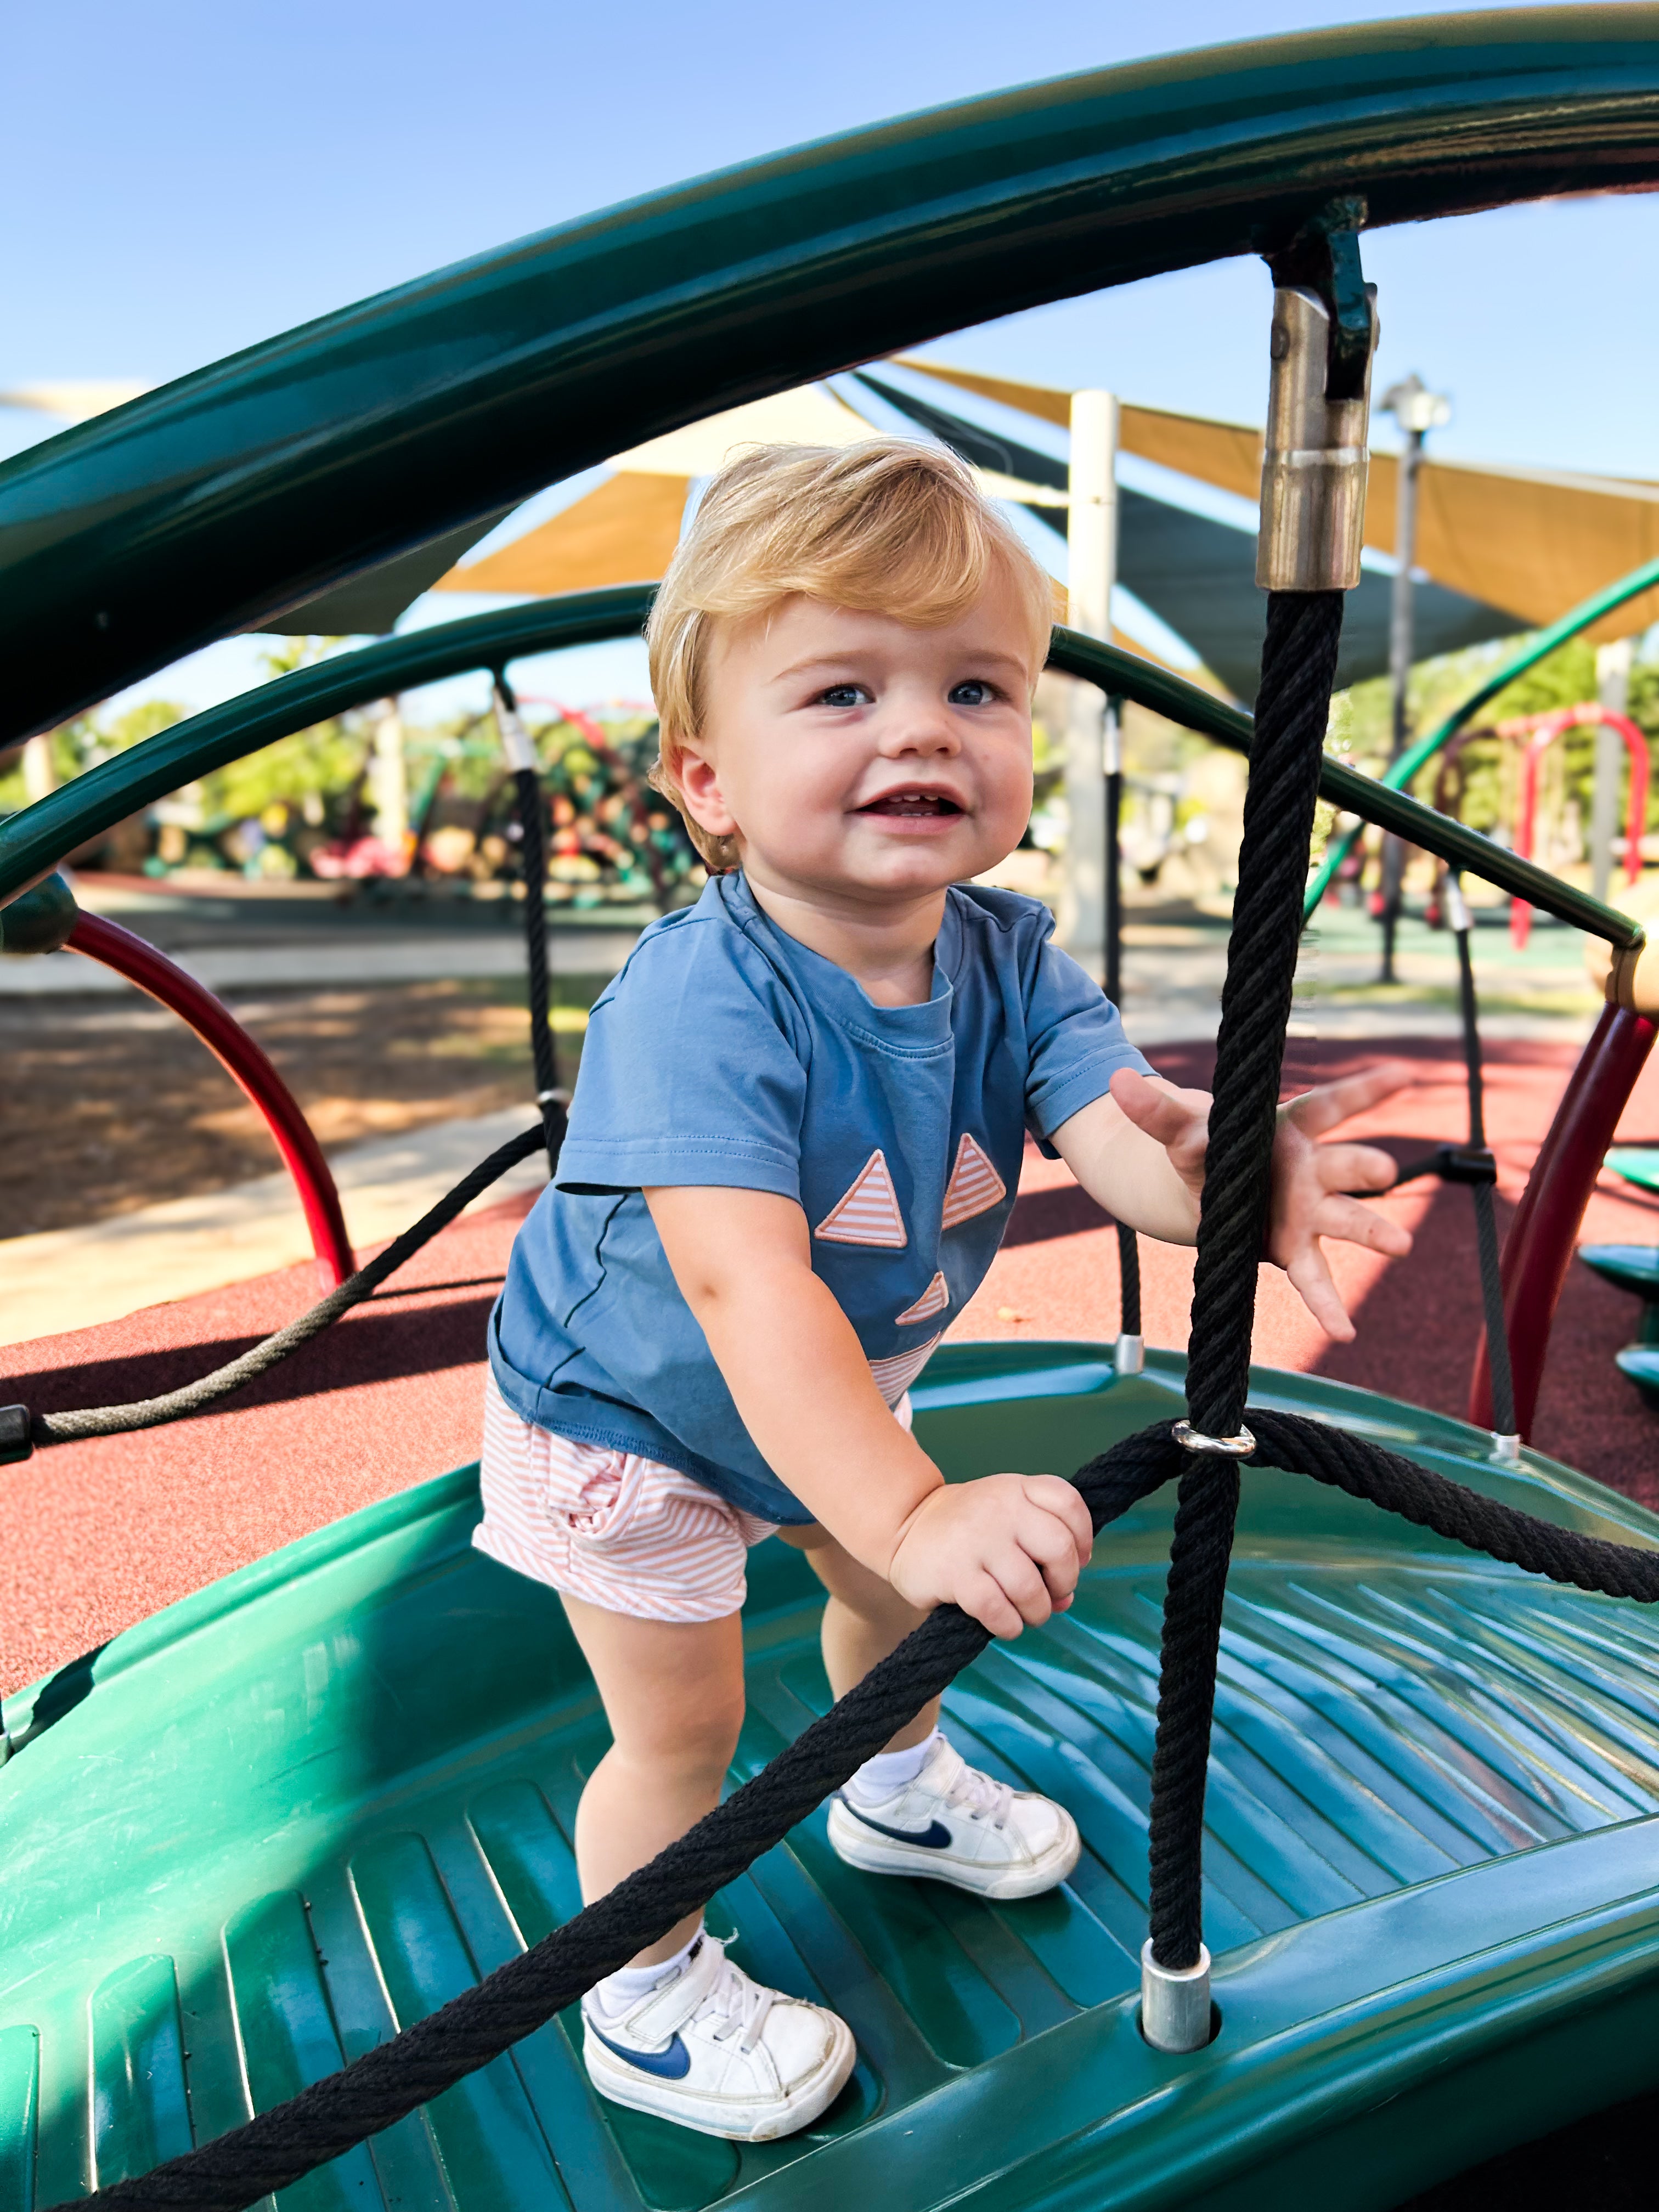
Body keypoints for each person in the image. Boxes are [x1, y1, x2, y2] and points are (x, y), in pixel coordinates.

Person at [476, 438, 1410, 2142]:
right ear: (708, 782)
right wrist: (906, 1506)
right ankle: (641, 1988)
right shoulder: (702, 1006)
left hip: (836, 1388)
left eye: (976, 686)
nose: (922, 729)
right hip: (632, 1420)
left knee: (897, 1620)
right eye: (842, 689)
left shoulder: (1010, 954)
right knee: (683, 1730)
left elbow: (1115, 1139)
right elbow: (746, 1295)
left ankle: (891, 1789)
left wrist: (1220, 1182)